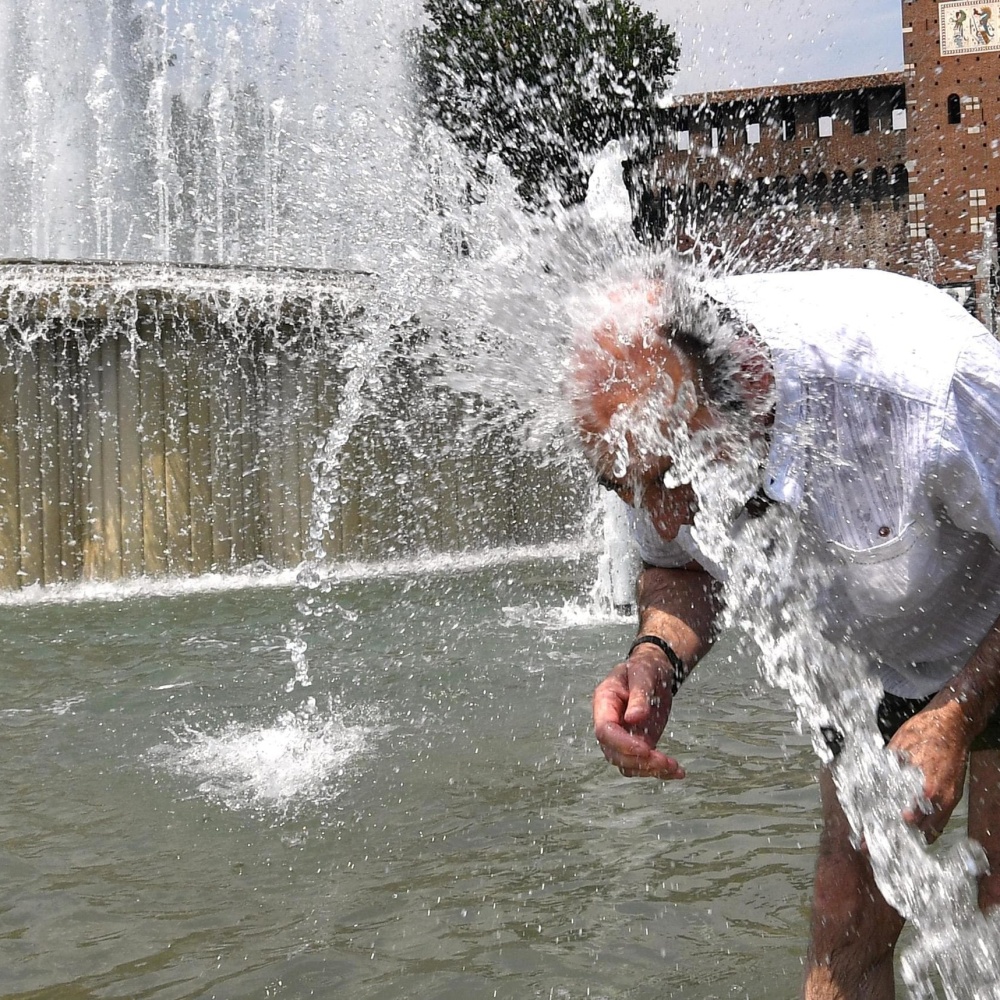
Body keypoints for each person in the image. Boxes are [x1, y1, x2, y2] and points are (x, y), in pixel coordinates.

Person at [569, 268, 1000, 999]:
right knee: (845, 922)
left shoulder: (933, 387)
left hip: (988, 613)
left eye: (666, 482)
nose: (662, 516)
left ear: (755, 383)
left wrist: (955, 716)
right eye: (628, 490)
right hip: (875, 645)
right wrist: (654, 659)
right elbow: (680, 568)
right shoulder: (654, 428)